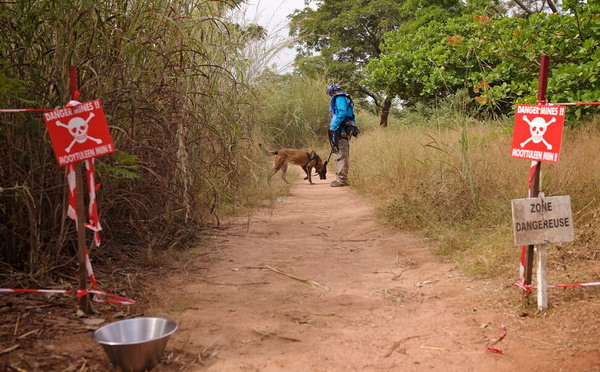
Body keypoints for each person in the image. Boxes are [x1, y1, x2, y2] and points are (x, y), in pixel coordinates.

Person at [327, 84, 356, 187]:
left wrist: (334, 126)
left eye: (330, 94)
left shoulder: (339, 97)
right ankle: (340, 178)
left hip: (341, 130)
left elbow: (342, 112)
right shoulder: (346, 98)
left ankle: (341, 179)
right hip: (343, 130)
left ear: (333, 92)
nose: (331, 97)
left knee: (341, 154)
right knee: (339, 153)